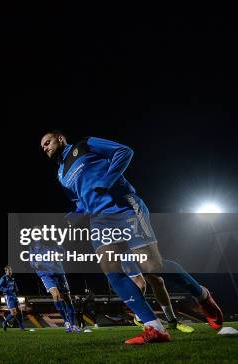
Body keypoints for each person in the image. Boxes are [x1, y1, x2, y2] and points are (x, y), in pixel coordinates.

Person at [40, 131, 223, 344]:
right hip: (99, 220)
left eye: (48, 142)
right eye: (42, 147)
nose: (45, 148)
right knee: (112, 270)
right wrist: (73, 215)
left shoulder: (84, 145)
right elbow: (82, 200)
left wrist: (107, 180)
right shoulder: (61, 174)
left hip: (123, 207)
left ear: (60, 138)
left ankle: (201, 295)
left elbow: (124, 151)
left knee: (152, 267)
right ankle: (154, 328)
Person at [122, 261, 194, 333]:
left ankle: (172, 321)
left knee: (158, 281)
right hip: (126, 255)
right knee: (141, 284)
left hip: (139, 254)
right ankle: (139, 319)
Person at [29, 238, 79, 333]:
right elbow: (32, 262)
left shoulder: (54, 242)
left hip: (59, 272)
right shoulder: (33, 246)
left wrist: (59, 256)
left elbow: (63, 254)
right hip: (46, 274)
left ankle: (73, 324)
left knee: (67, 299)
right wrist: (36, 264)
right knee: (56, 295)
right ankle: (66, 322)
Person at [0, 266, 25, 331]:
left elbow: (15, 287)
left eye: (11, 270)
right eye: (9, 270)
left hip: (14, 296)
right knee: (13, 313)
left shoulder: (13, 278)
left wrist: (16, 290)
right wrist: (7, 290)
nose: (10, 272)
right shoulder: (3, 278)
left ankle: (22, 328)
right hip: (8, 297)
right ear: (6, 271)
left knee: (19, 312)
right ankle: (4, 322)